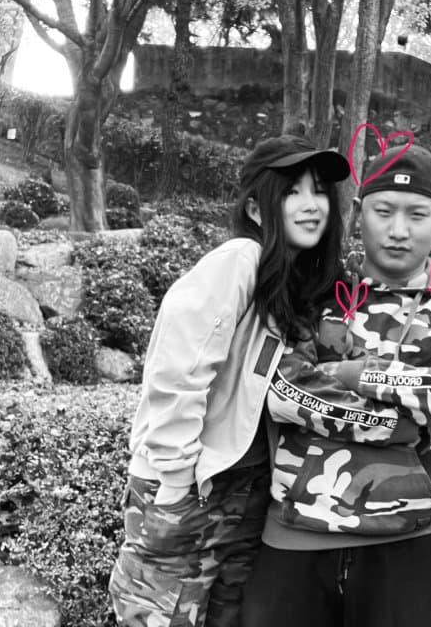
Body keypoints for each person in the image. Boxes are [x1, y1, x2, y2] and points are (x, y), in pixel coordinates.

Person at [241, 144, 431, 627]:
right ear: (359, 213)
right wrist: (395, 421)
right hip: (296, 538)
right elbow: (281, 390)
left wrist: (356, 376)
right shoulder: (314, 296)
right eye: (384, 212)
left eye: (417, 215)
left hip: (408, 546)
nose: (399, 230)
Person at [108, 134, 351, 627]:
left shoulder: (294, 281)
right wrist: (175, 482)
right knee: (159, 614)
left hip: (247, 488)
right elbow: (179, 369)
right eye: (292, 192)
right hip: (192, 484)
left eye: (319, 191)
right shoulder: (240, 259)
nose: (311, 205)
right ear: (256, 209)